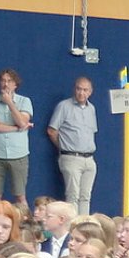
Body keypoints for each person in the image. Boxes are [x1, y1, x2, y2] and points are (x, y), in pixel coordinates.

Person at [46, 77, 98, 215]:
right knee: (73, 196)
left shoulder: (91, 109)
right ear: (74, 89)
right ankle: (73, 228)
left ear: (90, 92)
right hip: (71, 157)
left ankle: (84, 227)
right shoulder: (64, 106)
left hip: (89, 158)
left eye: (85, 90)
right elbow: (52, 131)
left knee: (85, 197)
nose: (81, 93)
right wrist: (64, 147)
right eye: (78, 89)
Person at [0, 68, 33, 204]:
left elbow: (22, 121)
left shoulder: (25, 101)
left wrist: (10, 103)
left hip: (19, 154)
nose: (6, 84)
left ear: (15, 84)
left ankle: (25, 223)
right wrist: (17, 129)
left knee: (20, 196)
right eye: (3, 81)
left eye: (9, 81)